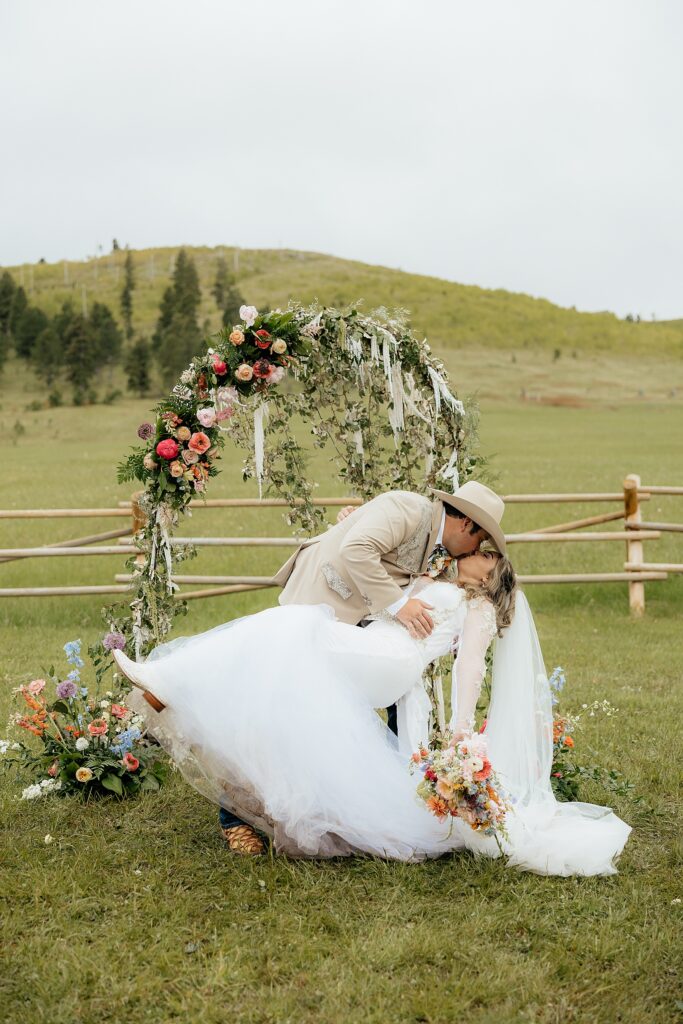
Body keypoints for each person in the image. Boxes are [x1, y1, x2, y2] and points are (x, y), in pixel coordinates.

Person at [114, 544, 632, 875]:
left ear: (491, 567)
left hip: (390, 661)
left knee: (291, 627)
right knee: (279, 657)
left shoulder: (475, 606)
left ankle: (168, 680)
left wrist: (460, 732)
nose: (473, 550)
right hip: (374, 651)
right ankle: (176, 691)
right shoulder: (442, 580)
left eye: (483, 551)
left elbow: (469, 666)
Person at [220, 480, 506, 853]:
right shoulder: (408, 509)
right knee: (277, 697)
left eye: (485, 553)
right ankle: (237, 816)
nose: (477, 550)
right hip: (320, 600)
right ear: (467, 525)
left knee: (322, 716)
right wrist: (396, 600)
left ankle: (335, 809)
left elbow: (450, 632)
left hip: (372, 641)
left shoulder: (449, 564)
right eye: (480, 542)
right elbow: (358, 548)